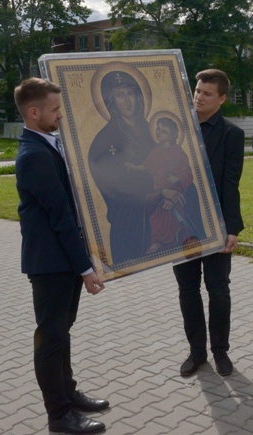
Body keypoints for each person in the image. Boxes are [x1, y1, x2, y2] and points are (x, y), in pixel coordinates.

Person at [14, 77, 109, 435]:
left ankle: (68, 393)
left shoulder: (49, 144)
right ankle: (59, 415)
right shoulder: (34, 155)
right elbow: (61, 218)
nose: (61, 116)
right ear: (34, 112)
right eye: (55, 110)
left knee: (61, 332)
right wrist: (86, 268)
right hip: (51, 264)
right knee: (51, 338)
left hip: (62, 260)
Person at [174, 69, 245, 377]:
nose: (199, 97)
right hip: (179, 224)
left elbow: (231, 184)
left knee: (218, 290)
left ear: (222, 99)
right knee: (187, 289)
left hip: (215, 225)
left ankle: (220, 351)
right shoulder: (178, 129)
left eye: (207, 93)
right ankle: (197, 352)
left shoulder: (232, 134)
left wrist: (232, 229)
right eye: (197, 91)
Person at [88, 69, 159, 266]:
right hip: (129, 222)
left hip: (159, 214)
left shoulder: (154, 130)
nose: (127, 102)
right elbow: (112, 185)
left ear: (139, 97)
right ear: (111, 102)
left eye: (130, 94)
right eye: (120, 95)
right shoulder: (104, 140)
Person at [129, 116, 204, 254]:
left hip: (177, 190)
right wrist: (135, 167)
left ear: (172, 135)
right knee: (155, 215)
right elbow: (147, 165)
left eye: (163, 131)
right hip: (160, 189)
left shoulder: (177, 152)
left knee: (169, 213)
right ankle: (157, 241)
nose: (159, 133)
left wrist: (177, 179)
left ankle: (174, 239)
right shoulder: (156, 150)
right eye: (158, 129)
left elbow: (188, 173)